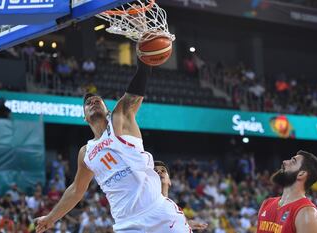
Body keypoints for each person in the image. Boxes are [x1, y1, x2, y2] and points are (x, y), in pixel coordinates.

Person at [35, 58, 192, 233]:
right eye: (88, 103)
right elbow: (76, 190)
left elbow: (136, 89)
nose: (92, 102)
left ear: (107, 110)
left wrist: (145, 60)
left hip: (158, 212)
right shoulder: (86, 153)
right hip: (127, 224)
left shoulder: (119, 118)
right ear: (84, 117)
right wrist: (51, 218)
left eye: (97, 101)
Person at [257, 150, 317, 233]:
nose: (284, 161)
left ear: (301, 174)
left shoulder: (307, 213)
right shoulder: (267, 203)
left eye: (293, 162)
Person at [154, 160, 208, 231]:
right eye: (155, 171)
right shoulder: (142, 204)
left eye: (163, 170)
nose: (159, 172)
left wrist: (186, 224)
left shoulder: (174, 209)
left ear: (169, 182)